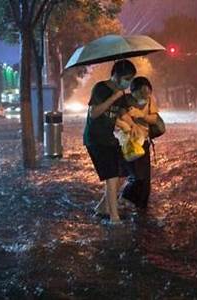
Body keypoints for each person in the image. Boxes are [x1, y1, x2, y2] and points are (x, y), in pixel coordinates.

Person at [84, 59, 137, 224]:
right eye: (126, 78)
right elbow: (93, 113)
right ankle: (114, 218)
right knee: (112, 176)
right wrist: (113, 97)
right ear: (116, 76)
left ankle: (102, 207)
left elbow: (122, 114)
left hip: (110, 138)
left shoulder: (121, 94)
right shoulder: (101, 88)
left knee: (122, 173)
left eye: (130, 79)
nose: (127, 83)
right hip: (95, 138)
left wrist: (133, 125)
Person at [117, 77, 160, 210]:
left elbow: (154, 119)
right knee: (135, 176)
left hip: (144, 142)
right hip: (128, 142)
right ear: (133, 91)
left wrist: (141, 114)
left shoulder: (151, 100)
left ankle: (141, 207)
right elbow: (119, 117)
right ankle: (123, 198)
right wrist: (130, 123)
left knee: (145, 180)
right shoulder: (125, 100)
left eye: (147, 93)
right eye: (141, 93)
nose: (144, 96)